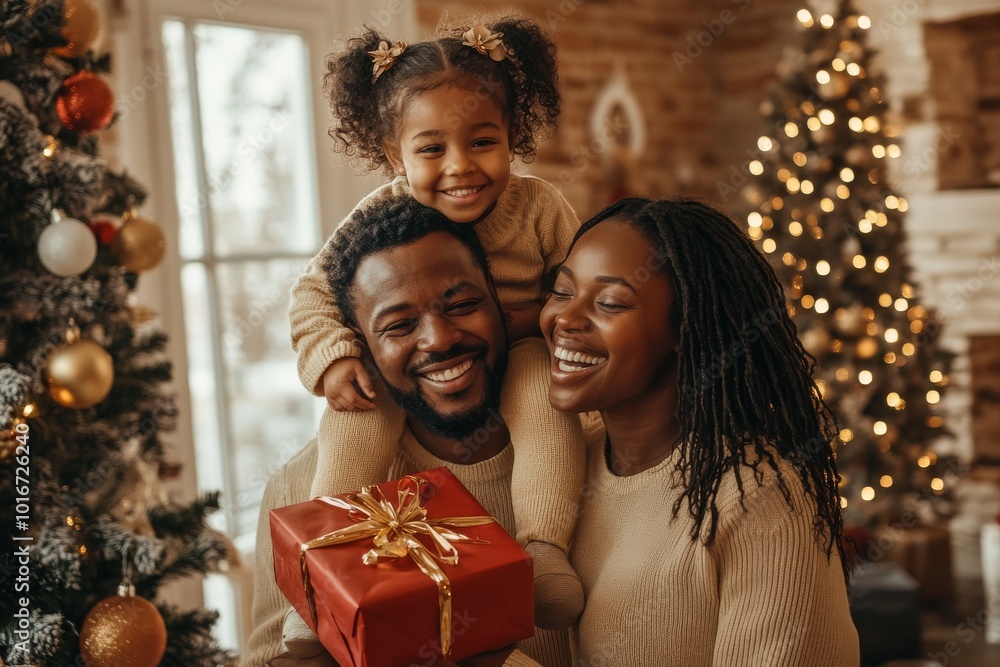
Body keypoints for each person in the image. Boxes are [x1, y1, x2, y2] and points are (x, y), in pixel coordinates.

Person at [288, 16, 586, 637]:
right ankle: (323, 572)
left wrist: (530, 318)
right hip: (409, 373)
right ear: (395, 154)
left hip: (522, 351)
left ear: (513, 136)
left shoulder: (540, 209)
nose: (460, 167)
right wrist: (337, 357)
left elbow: (577, 292)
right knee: (358, 414)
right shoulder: (379, 214)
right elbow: (313, 293)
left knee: (541, 401)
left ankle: (545, 549)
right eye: (431, 149)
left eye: (483, 142)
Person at [247, 196, 578, 667]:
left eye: (463, 304)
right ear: (362, 347)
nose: (439, 339)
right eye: (399, 325)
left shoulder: (593, 458)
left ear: (500, 300)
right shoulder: (297, 490)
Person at [539, 197, 860, 665]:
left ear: (684, 330)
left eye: (609, 303)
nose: (564, 320)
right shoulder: (562, 466)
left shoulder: (760, 499)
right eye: (562, 291)